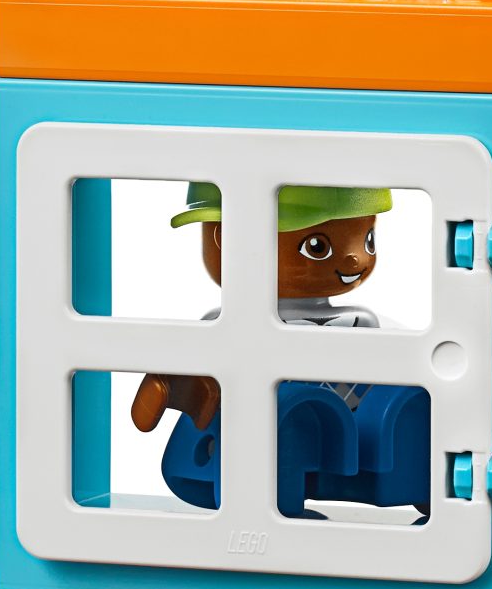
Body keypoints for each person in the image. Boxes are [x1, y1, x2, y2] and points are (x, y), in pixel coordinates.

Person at [130, 183, 392, 432]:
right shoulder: (226, 323)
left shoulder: (358, 323)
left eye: (368, 239)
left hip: (341, 439)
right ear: (223, 239)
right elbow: (201, 372)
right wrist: (171, 384)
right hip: (250, 435)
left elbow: (381, 385)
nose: (355, 258)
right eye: (317, 246)